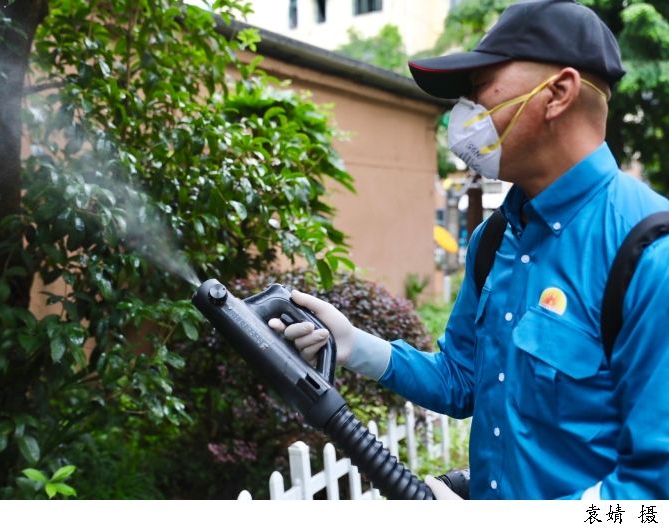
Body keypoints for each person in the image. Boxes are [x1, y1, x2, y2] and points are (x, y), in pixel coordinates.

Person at [269, 0, 669, 500]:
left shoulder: (648, 253)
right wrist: (353, 346)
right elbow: (461, 381)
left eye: (480, 86)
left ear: (558, 93)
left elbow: (651, 502)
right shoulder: (495, 239)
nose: (465, 112)